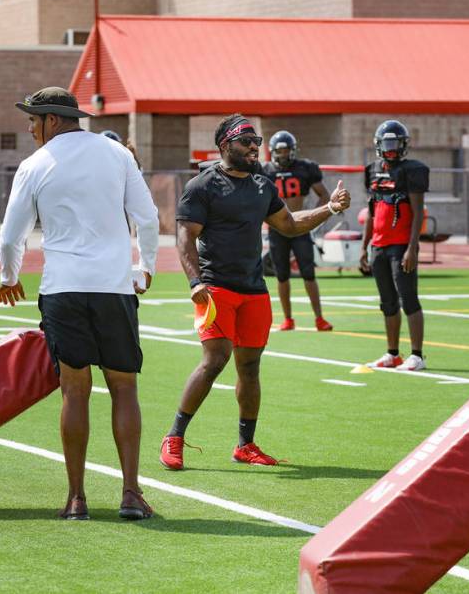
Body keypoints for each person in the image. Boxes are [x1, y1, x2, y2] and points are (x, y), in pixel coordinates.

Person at [0, 87, 160, 521]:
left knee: (75, 390)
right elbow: (147, 217)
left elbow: (12, 234)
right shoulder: (118, 155)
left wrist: (8, 276)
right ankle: (130, 494)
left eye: (33, 120)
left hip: (63, 288)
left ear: (52, 120)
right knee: (124, 387)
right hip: (114, 286)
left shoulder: (34, 165)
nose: (31, 128)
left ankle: (76, 499)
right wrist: (145, 267)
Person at [159, 114, 350, 470]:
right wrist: (195, 282)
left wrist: (330, 208)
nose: (253, 147)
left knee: (250, 367)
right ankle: (174, 436)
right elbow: (185, 238)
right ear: (224, 145)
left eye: (256, 142)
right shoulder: (202, 186)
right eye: (245, 141)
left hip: (254, 291)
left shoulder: (263, 186)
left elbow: (290, 225)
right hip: (216, 288)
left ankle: (245, 445)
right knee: (215, 359)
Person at [360, 120, 429, 371]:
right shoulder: (372, 170)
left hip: (401, 245)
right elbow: (371, 211)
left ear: (404, 146)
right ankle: (392, 353)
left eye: (395, 144)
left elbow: (418, 212)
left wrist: (413, 247)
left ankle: (417, 355)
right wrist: (364, 245)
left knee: (408, 298)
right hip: (379, 245)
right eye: (387, 144)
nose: (391, 149)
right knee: (387, 301)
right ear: (378, 145)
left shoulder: (412, 170)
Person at [260, 130, 334, 331]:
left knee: (308, 273)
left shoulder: (305, 168)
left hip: (300, 226)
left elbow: (324, 195)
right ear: (273, 152)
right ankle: (288, 319)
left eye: (286, 150)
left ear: (293, 151)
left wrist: (312, 217)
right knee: (282, 275)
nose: (283, 155)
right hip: (277, 228)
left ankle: (319, 318)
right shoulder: (265, 170)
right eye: (280, 151)